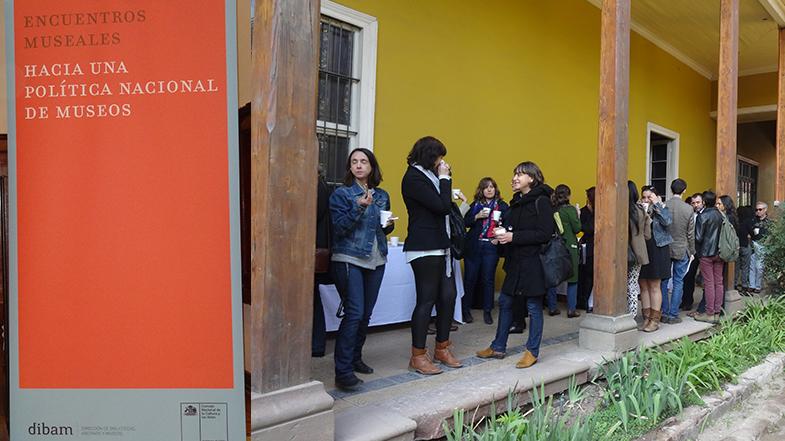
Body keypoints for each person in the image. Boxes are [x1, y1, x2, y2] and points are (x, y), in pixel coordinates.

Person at [476, 162, 554, 369]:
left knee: (533, 307)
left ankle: (532, 351)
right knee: (505, 302)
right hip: (515, 262)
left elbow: (545, 233)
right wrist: (500, 235)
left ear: (532, 178)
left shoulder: (542, 201)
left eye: (520, 174)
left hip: (533, 262)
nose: (514, 178)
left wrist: (513, 236)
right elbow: (513, 229)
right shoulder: (517, 201)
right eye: (514, 174)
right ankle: (498, 346)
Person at [329, 148, 395, 390]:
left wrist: (387, 225)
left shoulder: (382, 195)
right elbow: (339, 228)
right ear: (349, 167)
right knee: (354, 313)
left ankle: (356, 358)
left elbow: (380, 230)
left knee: (365, 314)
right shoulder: (342, 194)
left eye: (363, 161)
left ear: (371, 166)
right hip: (349, 258)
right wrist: (358, 207)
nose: (358, 165)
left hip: (376, 259)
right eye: (354, 162)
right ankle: (343, 372)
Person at [401, 136, 462, 375]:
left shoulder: (430, 176)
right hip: (424, 246)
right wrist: (445, 179)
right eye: (438, 157)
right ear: (428, 156)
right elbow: (441, 206)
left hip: (441, 244)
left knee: (448, 296)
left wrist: (444, 179)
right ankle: (417, 355)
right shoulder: (413, 178)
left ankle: (442, 347)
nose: (441, 161)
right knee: (426, 300)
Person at [462, 177, 508, 325]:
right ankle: (465, 310)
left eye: (492, 187)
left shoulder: (502, 205)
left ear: (496, 189)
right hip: (474, 246)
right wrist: (476, 216)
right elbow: (464, 222)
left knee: (488, 280)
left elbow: (509, 224)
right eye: (486, 187)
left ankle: (487, 311)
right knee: (470, 279)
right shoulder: (475, 205)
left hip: (491, 246)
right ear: (481, 190)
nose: (489, 189)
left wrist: (499, 237)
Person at [638, 185, 672, 332]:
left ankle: (655, 320)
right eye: (644, 197)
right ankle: (646, 317)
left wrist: (657, 204)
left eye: (649, 197)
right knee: (643, 284)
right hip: (642, 249)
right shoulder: (639, 210)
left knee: (654, 285)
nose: (646, 200)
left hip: (658, 249)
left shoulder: (662, 209)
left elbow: (667, 221)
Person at [662, 178, 694, 324]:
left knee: (663, 281)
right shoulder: (688, 208)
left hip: (665, 247)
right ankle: (673, 314)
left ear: (671, 189)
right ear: (685, 190)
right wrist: (692, 251)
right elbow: (690, 233)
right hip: (682, 248)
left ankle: (664, 311)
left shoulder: (664, 206)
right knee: (678, 281)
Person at [546, 184, 581, 318]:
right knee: (573, 278)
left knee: (553, 277)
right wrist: (577, 214)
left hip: (554, 245)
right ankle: (571, 309)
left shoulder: (552, 209)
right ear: (568, 195)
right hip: (569, 245)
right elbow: (577, 228)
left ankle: (552, 307)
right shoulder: (569, 209)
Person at [694, 191, 724, 323]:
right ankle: (717, 312)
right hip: (720, 252)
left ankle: (709, 313)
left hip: (706, 253)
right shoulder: (720, 215)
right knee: (719, 282)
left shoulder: (703, 216)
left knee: (709, 283)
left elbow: (698, 237)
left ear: (704, 202)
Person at [312, 170, 332, 358]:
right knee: (312, 298)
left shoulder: (316, 185)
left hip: (312, 249)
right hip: (315, 247)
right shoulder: (321, 183)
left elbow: (312, 216)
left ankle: (316, 344)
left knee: (311, 299)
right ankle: (315, 344)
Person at [628, 181, 651, 318]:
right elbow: (648, 235)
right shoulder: (641, 210)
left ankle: (624, 314)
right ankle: (632, 316)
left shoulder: (621, 209)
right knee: (632, 284)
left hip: (622, 252)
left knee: (622, 285)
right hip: (639, 251)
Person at [681, 193, 705, 311]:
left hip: (704, 250)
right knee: (688, 276)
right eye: (693, 203)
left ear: (703, 202)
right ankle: (687, 301)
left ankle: (705, 304)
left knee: (706, 277)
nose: (696, 205)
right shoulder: (690, 214)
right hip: (692, 249)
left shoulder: (706, 215)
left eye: (698, 202)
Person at [578, 187, 595, 311]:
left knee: (589, 276)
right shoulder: (584, 211)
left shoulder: (599, 211)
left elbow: (589, 228)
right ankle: (584, 301)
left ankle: (589, 302)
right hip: (587, 246)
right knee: (585, 275)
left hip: (593, 246)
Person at [749, 202, 772, 294]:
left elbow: (771, 234)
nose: (758, 211)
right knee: (752, 266)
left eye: (760, 209)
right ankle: (752, 285)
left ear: (765, 210)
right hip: (753, 244)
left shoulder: (769, 222)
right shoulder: (754, 220)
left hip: (762, 245)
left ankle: (758, 286)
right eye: (756, 209)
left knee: (759, 267)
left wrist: (766, 244)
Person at [735, 205, 755, 295]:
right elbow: (752, 233)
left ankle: (734, 284)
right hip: (745, 245)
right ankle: (744, 286)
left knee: (736, 267)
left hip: (736, 246)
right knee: (745, 267)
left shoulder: (735, 221)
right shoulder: (747, 221)